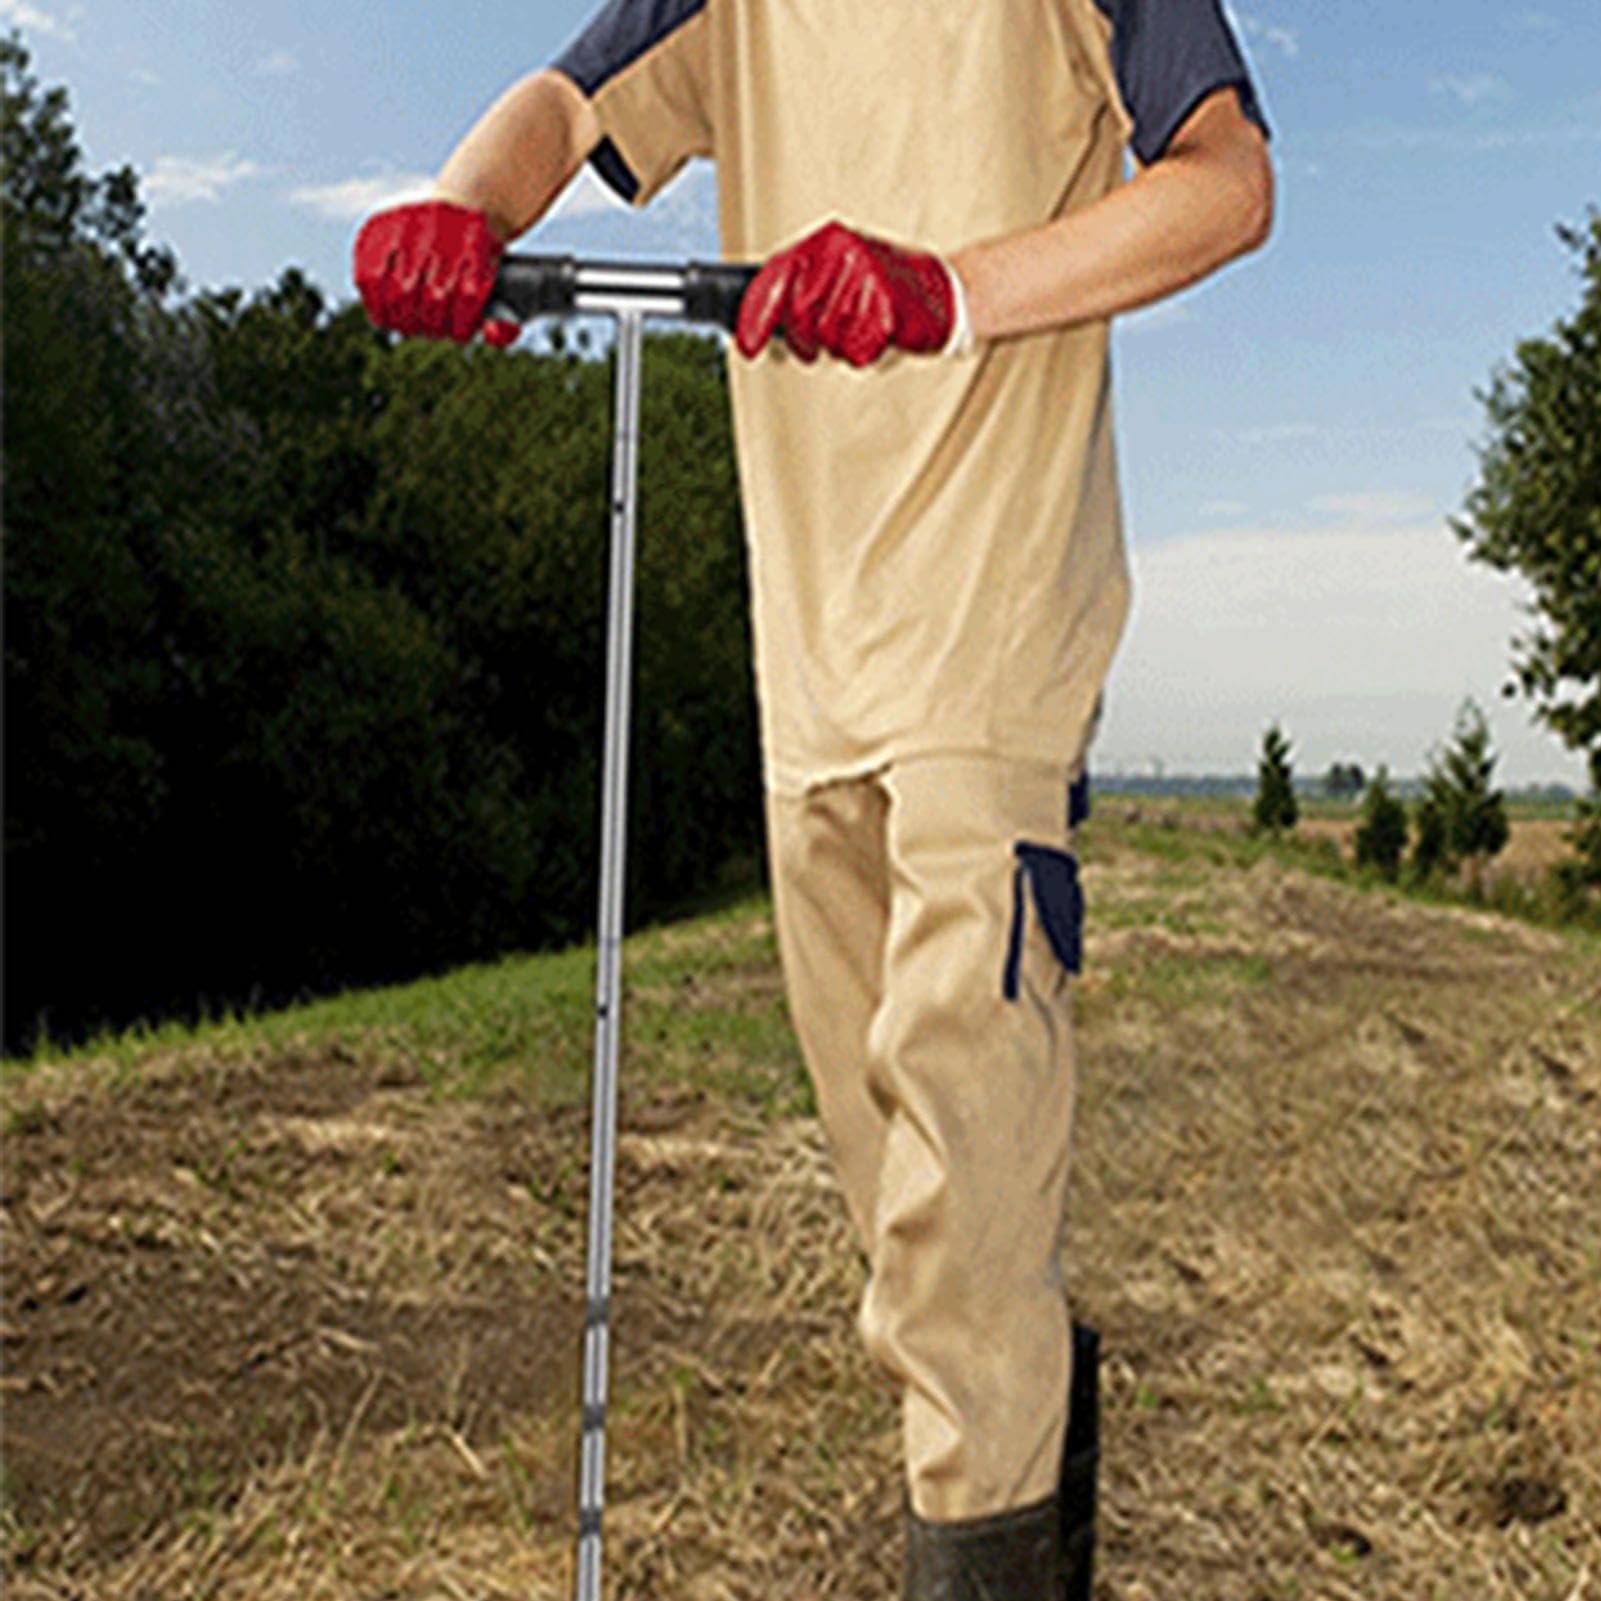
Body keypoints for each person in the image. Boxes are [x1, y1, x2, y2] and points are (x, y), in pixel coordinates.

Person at [354, 3, 1273, 1595]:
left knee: (962, 1157)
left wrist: (947, 289)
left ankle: (987, 1512)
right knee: (899, 1183)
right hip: (815, 651)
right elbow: (563, 110)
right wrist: (465, 207)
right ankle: (1021, 1417)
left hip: (995, 620)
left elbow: (1225, 182)